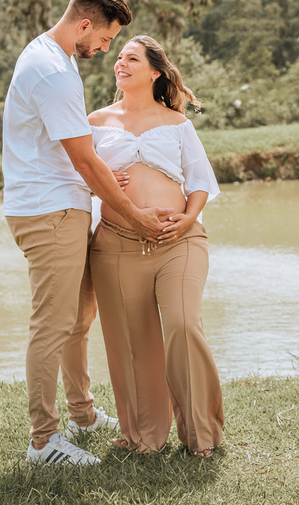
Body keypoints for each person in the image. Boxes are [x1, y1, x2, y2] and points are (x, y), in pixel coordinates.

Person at [3, 0, 172, 467]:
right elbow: (82, 160)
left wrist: (98, 170)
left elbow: (73, 149)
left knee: (78, 320)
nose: (104, 50)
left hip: (61, 204)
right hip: (48, 211)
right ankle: (42, 442)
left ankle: (82, 414)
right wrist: (136, 216)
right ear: (84, 25)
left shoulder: (54, 56)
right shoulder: (52, 72)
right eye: (104, 39)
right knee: (53, 324)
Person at [87, 35, 224, 457]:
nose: (121, 63)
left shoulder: (177, 123)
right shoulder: (94, 121)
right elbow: (75, 177)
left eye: (132, 58)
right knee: (132, 342)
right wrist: (104, 184)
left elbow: (200, 180)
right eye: (119, 57)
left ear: (155, 72)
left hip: (177, 241)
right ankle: (144, 436)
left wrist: (187, 219)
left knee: (183, 325)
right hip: (116, 245)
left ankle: (201, 434)